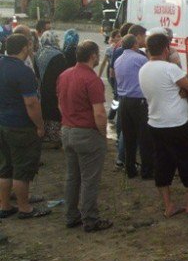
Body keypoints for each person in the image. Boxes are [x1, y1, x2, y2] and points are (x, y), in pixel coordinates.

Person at [139, 32, 188, 218]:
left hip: (155, 123)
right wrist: (183, 92)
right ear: (166, 49)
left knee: (162, 162)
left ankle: (168, 205)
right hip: (177, 123)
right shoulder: (170, 69)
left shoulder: (143, 69)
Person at [56, 40, 112, 232]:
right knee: (90, 179)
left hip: (67, 130)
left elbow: (60, 104)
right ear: (93, 56)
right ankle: (90, 219)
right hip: (86, 133)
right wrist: (102, 135)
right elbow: (99, 113)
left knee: (72, 177)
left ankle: (71, 215)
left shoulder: (64, 75)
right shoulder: (92, 80)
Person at [0, 34, 47, 220]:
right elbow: (31, 104)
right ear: (24, 48)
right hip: (20, 126)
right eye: (29, 46)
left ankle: (4, 205)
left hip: (2, 123)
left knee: (5, 167)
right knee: (23, 168)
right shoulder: (23, 71)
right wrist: (40, 125)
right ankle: (24, 208)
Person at [116, 31, 155, 179]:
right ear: (134, 44)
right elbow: (149, 75)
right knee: (144, 137)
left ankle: (130, 169)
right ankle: (147, 171)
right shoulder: (140, 59)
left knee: (129, 137)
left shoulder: (118, 60)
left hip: (124, 102)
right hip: (139, 101)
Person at [37, 30, 69, 146]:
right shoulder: (58, 55)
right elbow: (63, 74)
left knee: (44, 110)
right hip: (54, 88)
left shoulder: (39, 52)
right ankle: (54, 137)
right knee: (55, 111)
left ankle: (44, 135)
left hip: (41, 88)